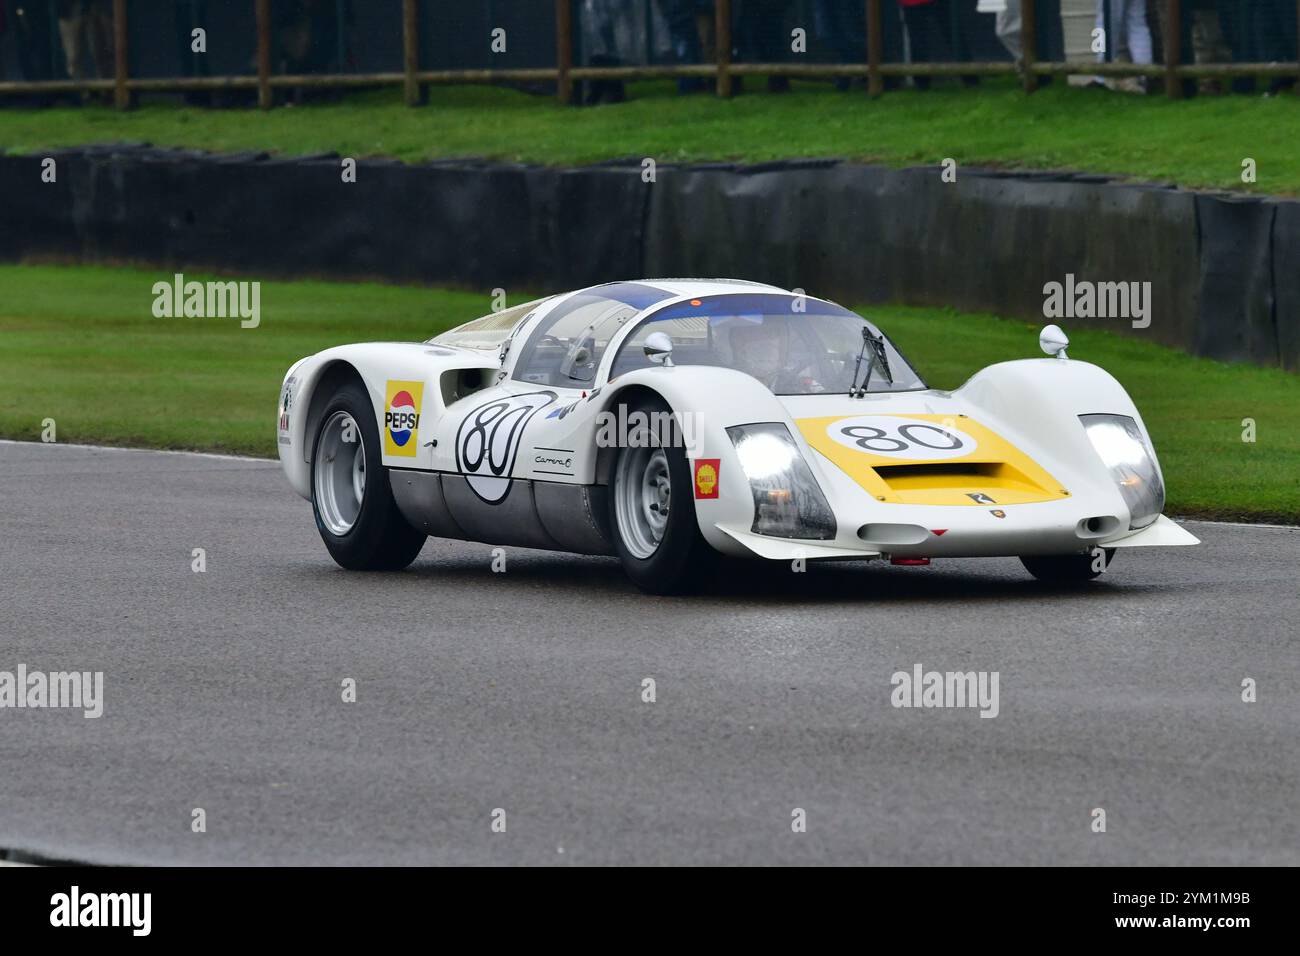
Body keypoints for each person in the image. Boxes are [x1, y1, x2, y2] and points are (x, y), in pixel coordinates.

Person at [729, 321, 824, 393]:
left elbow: (823, 396)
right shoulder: (728, 383)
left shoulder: (798, 381)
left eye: (771, 347)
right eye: (757, 347)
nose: (767, 352)